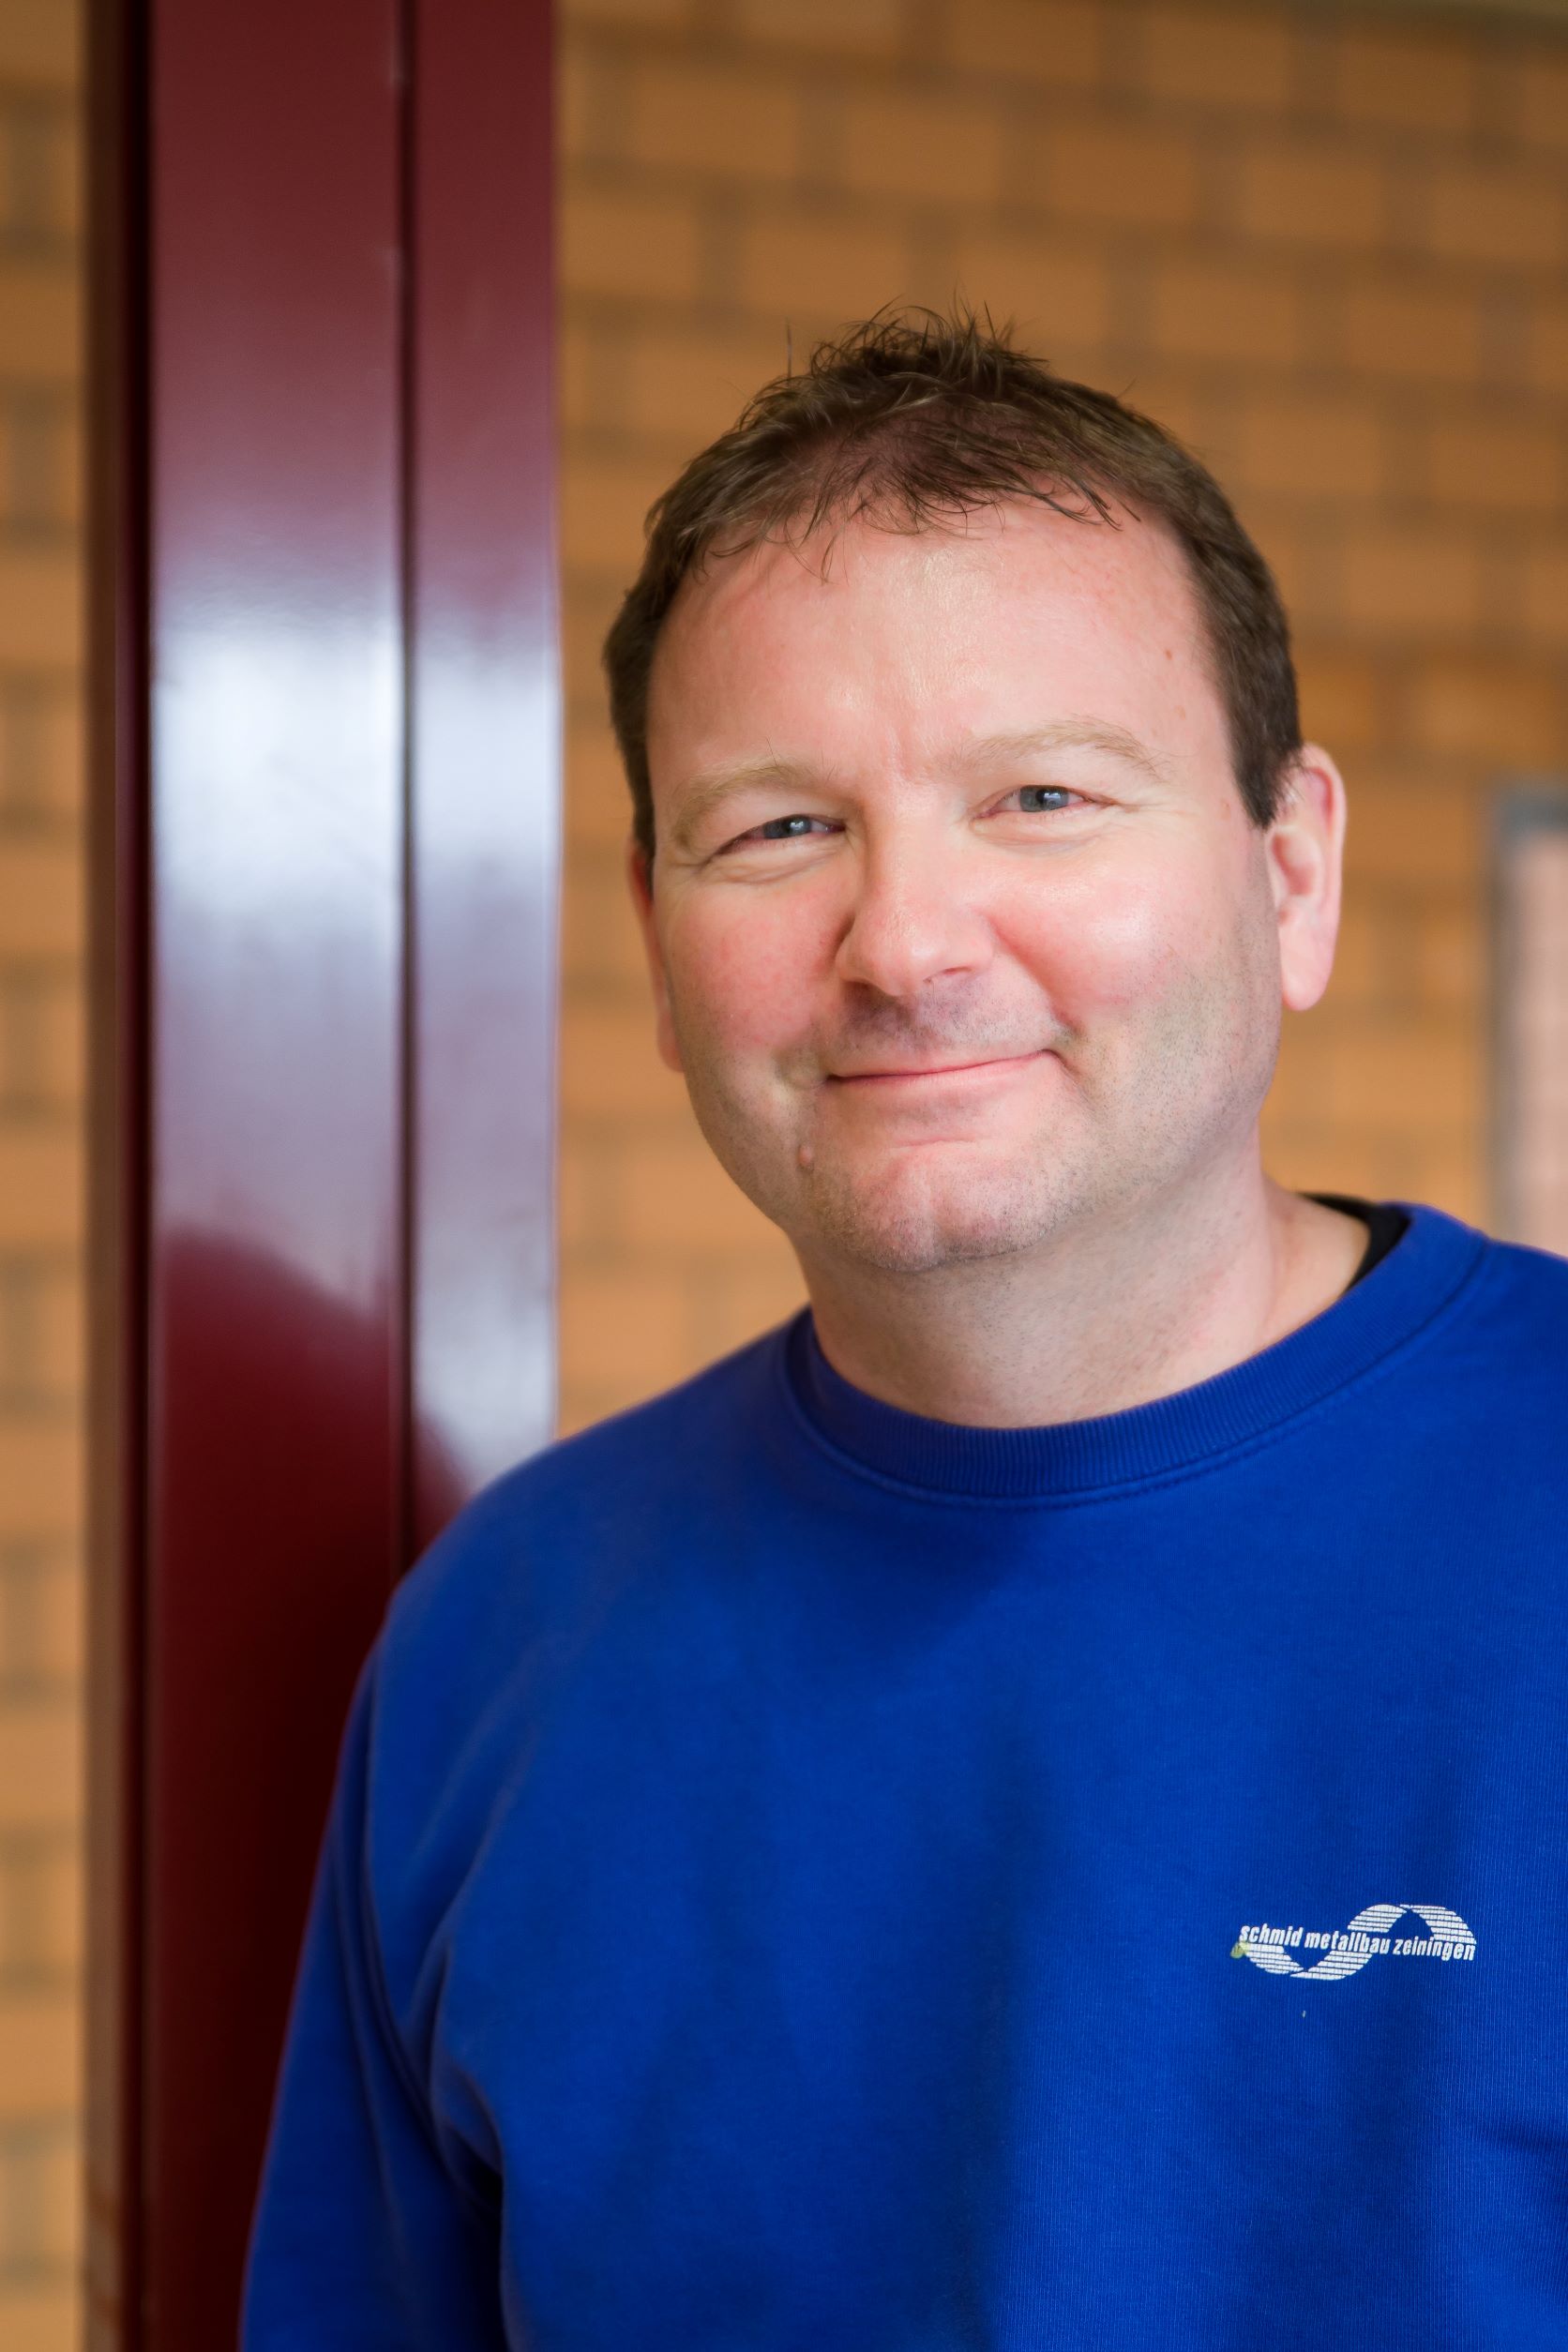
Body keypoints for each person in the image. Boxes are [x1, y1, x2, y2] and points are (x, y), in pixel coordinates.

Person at [242, 310, 1568, 2347]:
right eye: (780, 827)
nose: (907, 945)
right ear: (658, 941)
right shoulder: (498, 1645)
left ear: (1291, 871)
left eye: (1040, 794)